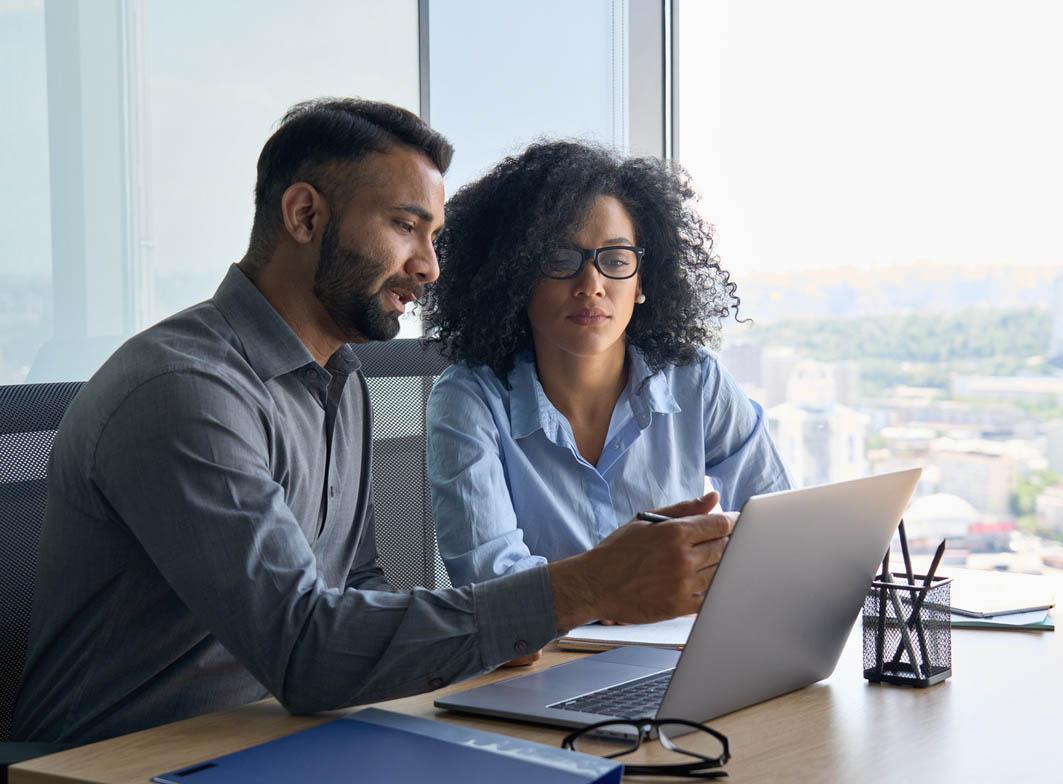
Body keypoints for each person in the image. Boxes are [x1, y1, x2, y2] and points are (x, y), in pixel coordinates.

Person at [12, 100, 733, 744]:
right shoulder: (184, 391)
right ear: (305, 216)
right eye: (405, 228)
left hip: (285, 738)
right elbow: (304, 650)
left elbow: (356, 585)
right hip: (124, 761)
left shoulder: (341, 381)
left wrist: (496, 626)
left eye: (435, 236)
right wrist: (579, 589)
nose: (430, 267)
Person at [423, 142, 791, 599]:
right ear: (516, 277)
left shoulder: (696, 380)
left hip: (678, 648)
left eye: (616, 260)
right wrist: (617, 590)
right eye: (561, 260)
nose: (591, 286)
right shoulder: (468, 399)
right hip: (545, 661)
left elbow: (778, 526)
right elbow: (493, 586)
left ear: (641, 282)